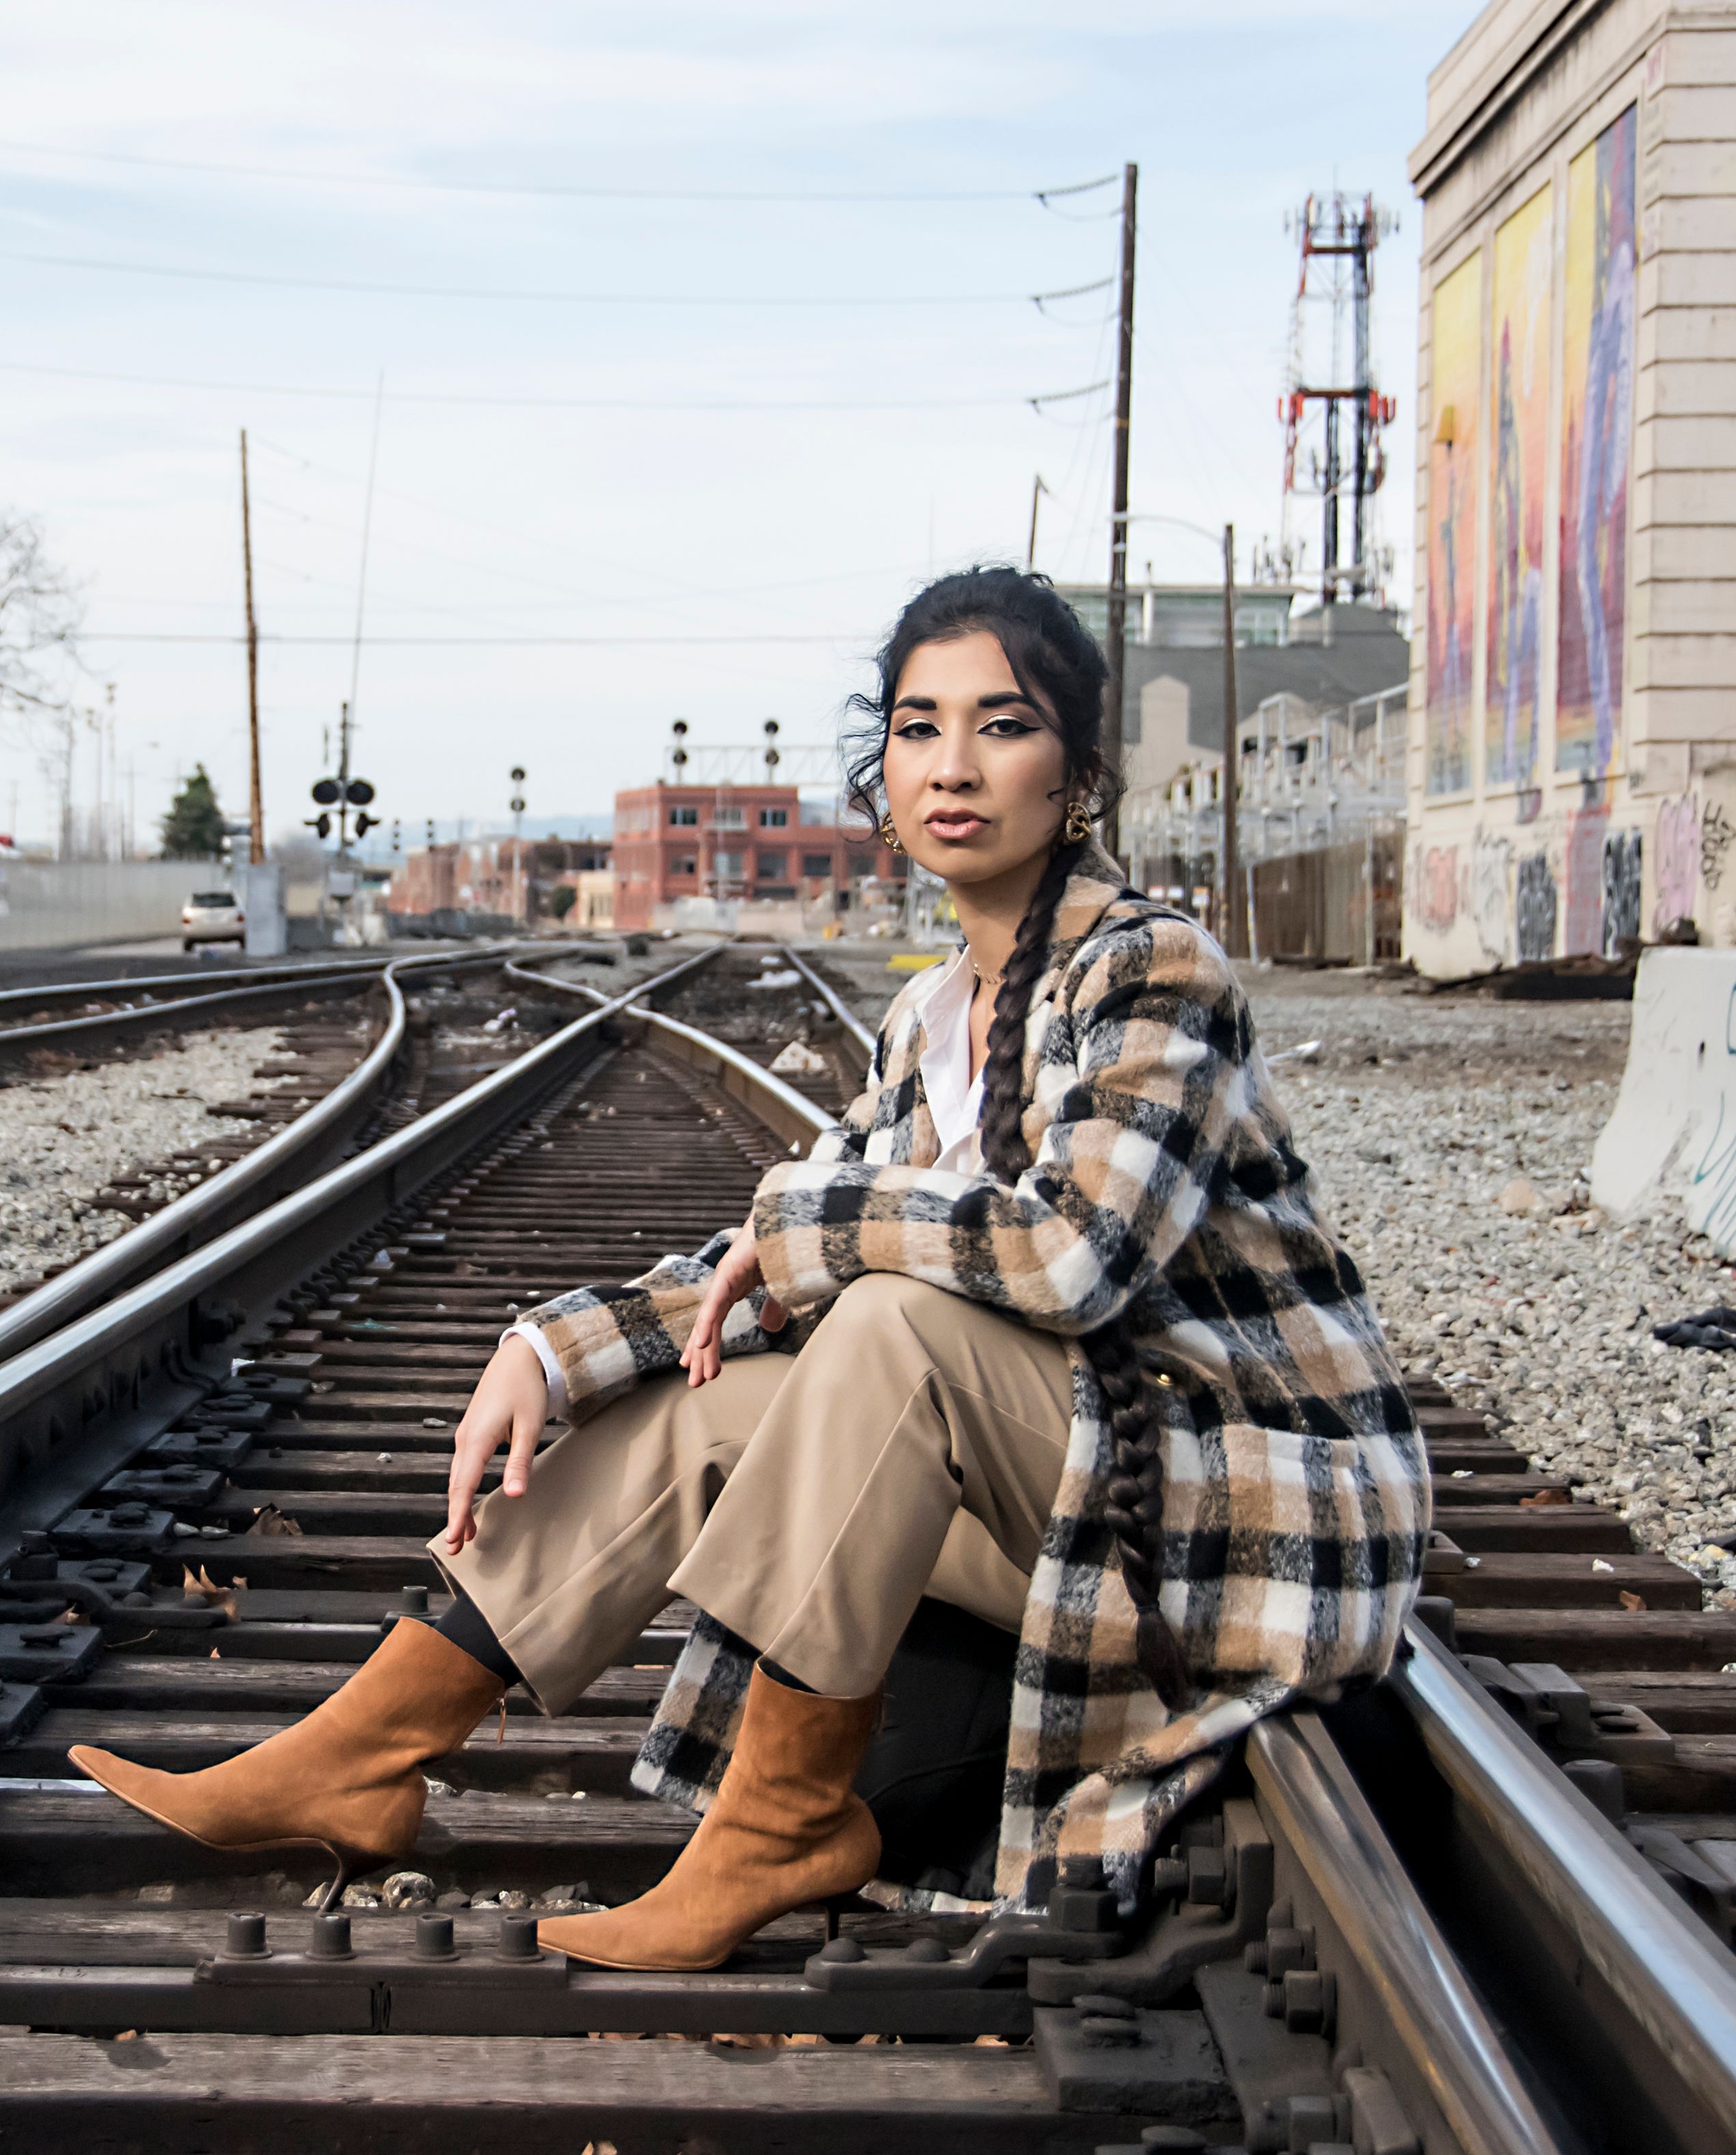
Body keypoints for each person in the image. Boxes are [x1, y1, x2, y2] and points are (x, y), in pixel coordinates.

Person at [71, 567, 1431, 1971]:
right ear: (883, 767)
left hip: (1246, 1511)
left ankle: (777, 1823)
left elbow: (1069, 1256)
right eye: (916, 728)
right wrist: (553, 1347)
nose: (952, 766)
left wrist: (813, 1231)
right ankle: (360, 1757)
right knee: (703, 1406)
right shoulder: (930, 1017)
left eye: (1000, 725)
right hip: (1079, 1483)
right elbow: (771, 1259)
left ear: (1075, 777)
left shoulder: (1152, 970)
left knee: (892, 1326)